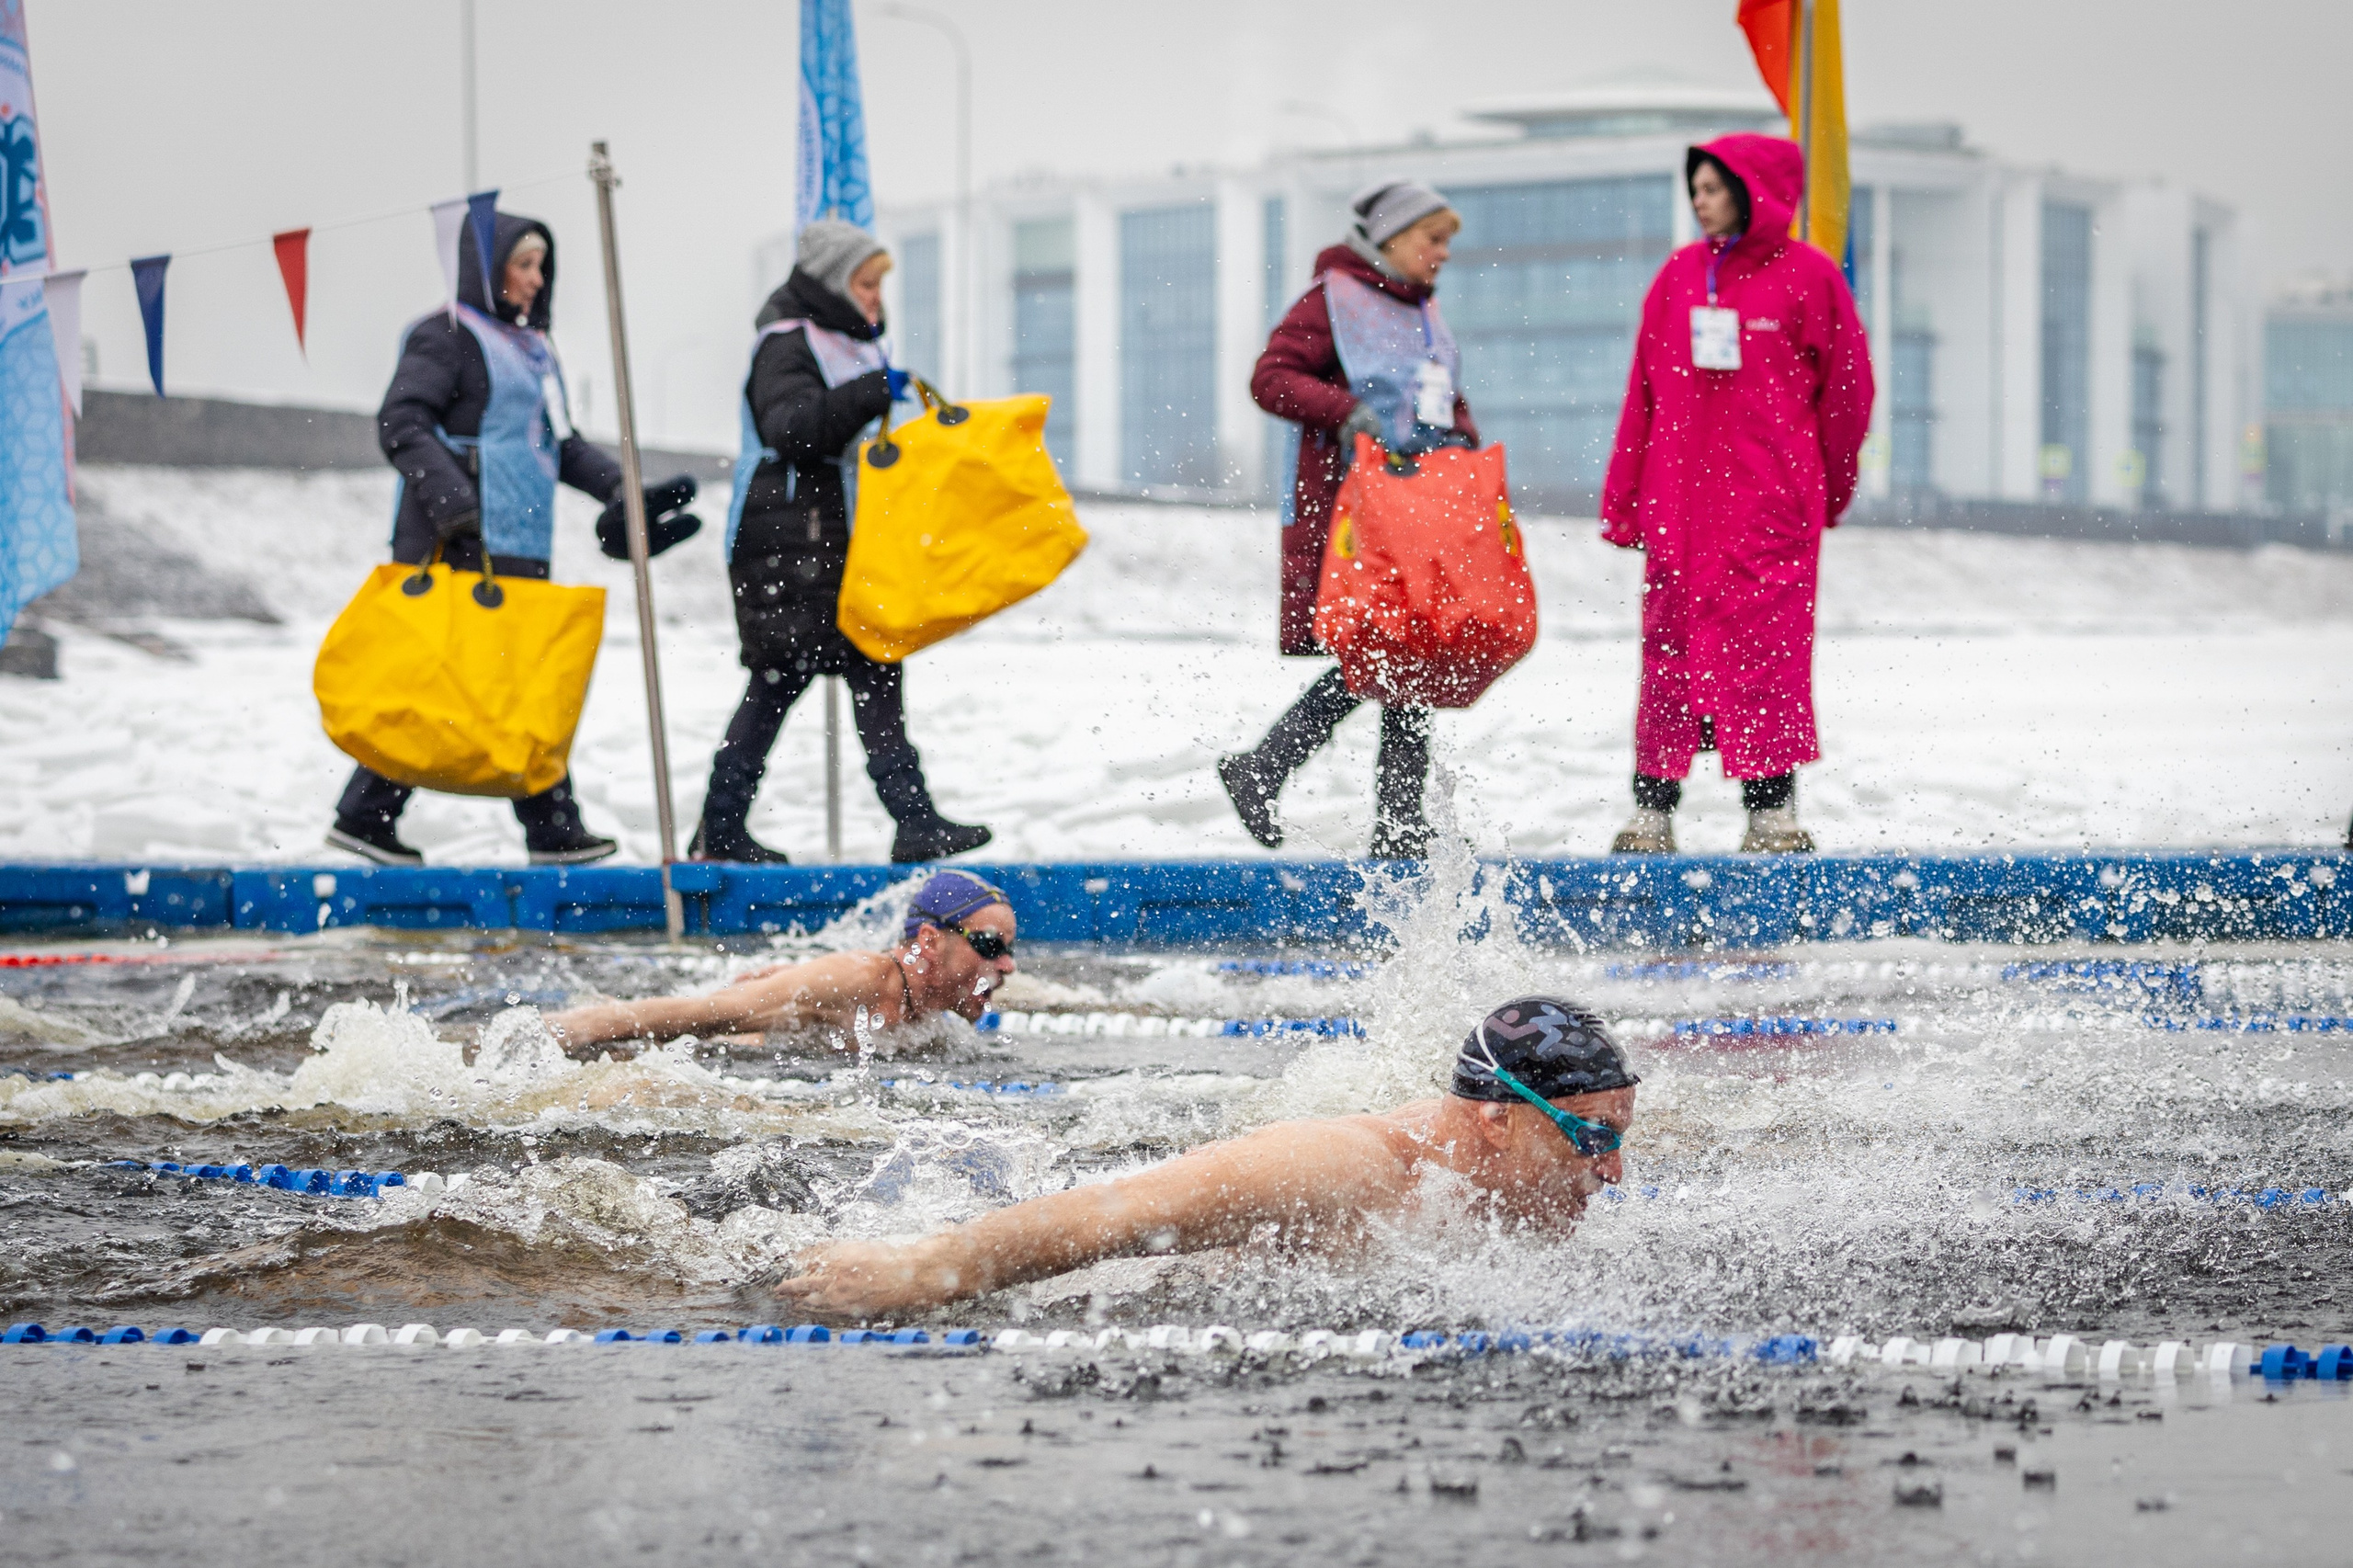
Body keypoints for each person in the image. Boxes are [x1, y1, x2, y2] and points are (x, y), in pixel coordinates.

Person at [778, 996, 1635, 1318]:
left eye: (1621, 1130)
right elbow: (1123, 1214)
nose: (1613, 1167)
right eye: (1594, 1133)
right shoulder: (1349, 1168)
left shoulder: (1529, 1162)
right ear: (1494, 1120)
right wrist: (923, 1267)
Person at [327, 209, 703, 868]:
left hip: (520, 536)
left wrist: (622, 489)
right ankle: (544, 827)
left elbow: (555, 445)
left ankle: (373, 815)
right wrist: (452, 502)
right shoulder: (444, 336)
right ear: (486, 267)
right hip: (458, 537)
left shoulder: (531, 350)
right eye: (522, 265)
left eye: (541, 267)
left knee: (501, 684)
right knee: (468, 684)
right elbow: (402, 422)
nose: (536, 280)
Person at [1600, 135, 1874, 856]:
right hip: (1680, 508)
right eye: (1696, 186)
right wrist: (1626, 500)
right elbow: (1644, 395)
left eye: (1716, 186)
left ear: (1758, 192)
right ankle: (1652, 811)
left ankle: (1771, 812)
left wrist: (1826, 493)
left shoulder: (1810, 278)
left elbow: (1847, 395)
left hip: (1769, 507)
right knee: (1670, 654)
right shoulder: (1677, 278)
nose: (1700, 198)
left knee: (1768, 656)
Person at [693, 219, 991, 866]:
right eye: (865, 284)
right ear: (833, 283)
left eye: (880, 285)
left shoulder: (851, 345)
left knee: (868, 667)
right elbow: (794, 429)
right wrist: (869, 391)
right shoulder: (786, 344)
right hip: (789, 539)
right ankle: (722, 829)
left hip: (840, 540)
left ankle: (911, 822)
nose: (876, 298)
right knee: (781, 679)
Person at [1218, 181, 1480, 861]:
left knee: (1410, 647)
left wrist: (1466, 446)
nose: (1444, 253)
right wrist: (1345, 412)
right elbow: (1271, 377)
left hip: (1420, 508)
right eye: (1433, 239)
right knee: (1388, 649)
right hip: (1353, 512)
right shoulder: (1332, 298)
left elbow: (1448, 399)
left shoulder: (1424, 313)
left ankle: (1389, 818)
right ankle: (1299, 780)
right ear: (1392, 240)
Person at [544, 869, 1015, 1054]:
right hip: (739, 1031)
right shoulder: (857, 978)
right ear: (930, 942)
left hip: (770, 1043)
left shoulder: (936, 1007)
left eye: (1011, 949)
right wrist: (574, 1030)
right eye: (992, 946)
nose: (1009, 965)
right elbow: (707, 1013)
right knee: (711, 1028)